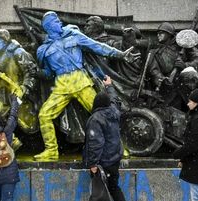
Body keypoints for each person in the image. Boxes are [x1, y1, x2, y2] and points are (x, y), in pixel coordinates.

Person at [34, 11, 138, 161]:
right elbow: (49, 74)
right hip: (61, 86)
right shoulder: (42, 50)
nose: (59, 23)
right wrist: (38, 72)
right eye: (55, 21)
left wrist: (121, 54)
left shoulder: (73, 35)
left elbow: (98, 47)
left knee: (104, 114)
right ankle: (51, 151)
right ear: (48, 26)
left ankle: (118, 148)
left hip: (81, 82)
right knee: (44, 115)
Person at [83, 76, 132, 201]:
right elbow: (114, 100)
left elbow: (95, 144)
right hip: (114, 158)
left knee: (101, 192)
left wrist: (92, 164)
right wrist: (109, 86)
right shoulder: (114, 112)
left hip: (102, 162)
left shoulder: (95, 119)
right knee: (114, 188)